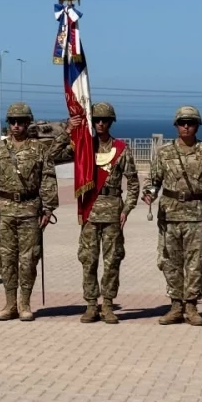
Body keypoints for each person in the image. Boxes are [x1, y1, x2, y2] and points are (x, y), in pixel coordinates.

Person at [142, 106, 202, 326]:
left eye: (190, 122)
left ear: (197, 125)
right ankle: (175, 306)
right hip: (169, 215)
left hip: (197, 214)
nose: (186, 126)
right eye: (182, 123)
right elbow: (153, 180)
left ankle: (191, 306)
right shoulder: (164, 153)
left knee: (195, 263)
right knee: (170, 261)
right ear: (176, 126)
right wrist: (149, 194)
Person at [0, 102, 59, 322]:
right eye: (12, 121)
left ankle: (25, 303)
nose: (16, 125)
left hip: (30, 210)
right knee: (6, 257)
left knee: (28, 259)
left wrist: (48, 209)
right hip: (5, 211)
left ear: (28, 123)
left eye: (21, 121)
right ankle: (10, 303)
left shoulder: (39, 149)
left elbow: (48, 179)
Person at [66, 102, 140, 324]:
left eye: (105, 120)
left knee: (112, 261)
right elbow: (53, 154)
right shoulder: (83, 146)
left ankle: (107, 304)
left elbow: (134, 182)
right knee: (88, 260)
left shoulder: (120, 149)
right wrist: (68, 130)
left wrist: (127, 208)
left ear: (111, 122)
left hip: (113, 213)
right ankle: (91, 304)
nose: (100, 123)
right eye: (96, 119)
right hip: (90, 212)